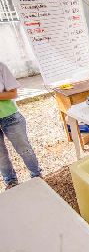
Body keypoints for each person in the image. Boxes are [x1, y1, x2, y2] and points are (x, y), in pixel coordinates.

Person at [0, 62, 41, 190]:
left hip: (10, 117)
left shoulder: (1, 66)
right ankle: (11, 181)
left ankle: (37, 177)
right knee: (0, 155)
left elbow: (13, 93)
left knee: (24, 150)